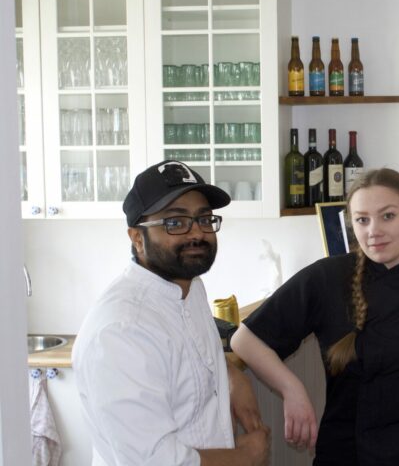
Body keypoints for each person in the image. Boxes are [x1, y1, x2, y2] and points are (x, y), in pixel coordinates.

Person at [231, 168, 399, 466]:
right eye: (362, 219)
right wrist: (292, 389)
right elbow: (245, 340)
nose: (373, 231)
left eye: (387, 216)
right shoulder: (326, 279)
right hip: (348, 453)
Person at [72, 160, 270, 466]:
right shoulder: (121, 331)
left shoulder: (190, 287)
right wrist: (247, 455)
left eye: (204, 219)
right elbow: (157, 460)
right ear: (136, 237)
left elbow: (188, 358)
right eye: (175, 223)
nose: (197, 234)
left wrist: (231, 378)